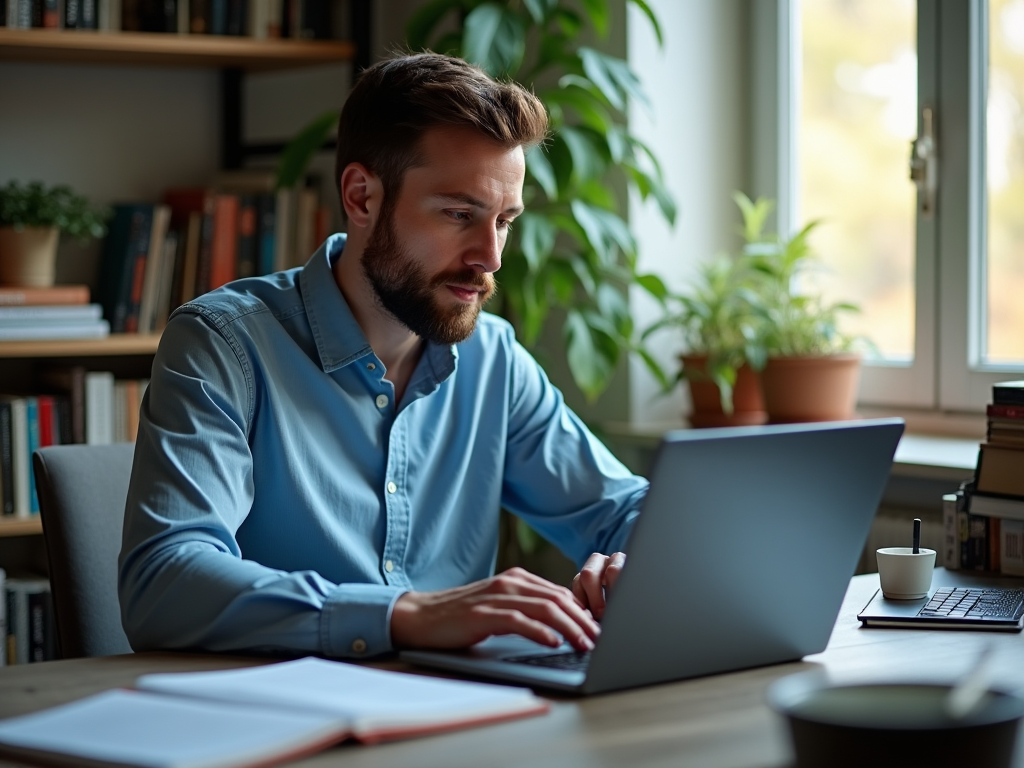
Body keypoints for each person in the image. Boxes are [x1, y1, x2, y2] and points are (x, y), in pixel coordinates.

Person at [118, 52, 648, 660]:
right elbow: (163, 581)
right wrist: (404, 615)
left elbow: (625, 509)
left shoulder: (494, 360)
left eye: (504, 221)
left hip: (466, 715)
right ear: (362, 197)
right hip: (281, 725)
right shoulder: (224, 345)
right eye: (459, 214)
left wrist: (633, 562)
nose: (491, 256)